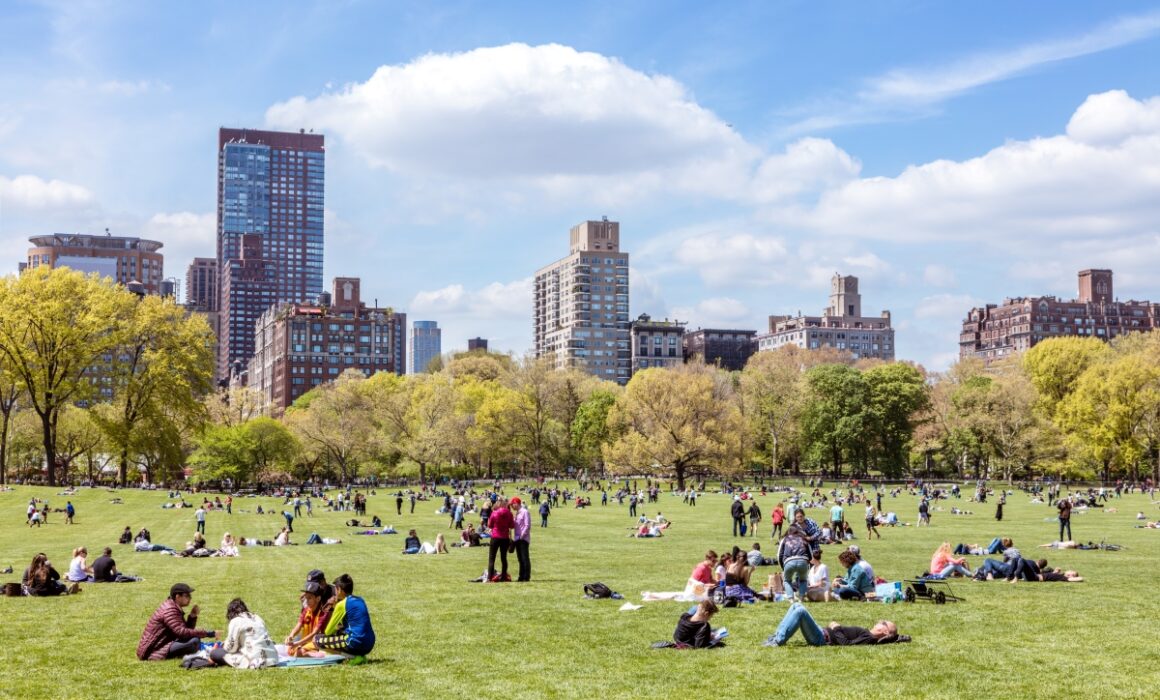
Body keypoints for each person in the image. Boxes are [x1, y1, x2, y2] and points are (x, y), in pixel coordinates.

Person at [764, 602, 906, 646]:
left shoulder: (869, 638)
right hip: (822, 631)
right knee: (796, 605)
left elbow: (846, 644)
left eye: (883, 623)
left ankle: (778, 640)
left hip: (822, 638)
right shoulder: (868, 634)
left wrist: (836, 627)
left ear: (885, 632)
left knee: (800, 611)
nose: (879, 621)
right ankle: (776, 636)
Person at [137, 583, 216, 660]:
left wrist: (192, 616)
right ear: (177, 597)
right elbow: (181, 633)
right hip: (151, 651)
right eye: (187, 595)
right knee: (194, 641)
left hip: (162, 644)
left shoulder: (173, 606)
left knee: (194, 639)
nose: (190, 598)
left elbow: (184, 631)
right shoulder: (170, 610)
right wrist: (207, 633)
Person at [316, 573, 375, 663]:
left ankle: (353, 657)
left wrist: (333, 608)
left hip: (355, 643)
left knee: (317, 640)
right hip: (370, 643)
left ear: (339, 589)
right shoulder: (360, 600)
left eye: (335, 588)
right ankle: (359, 655)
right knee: (340, 632)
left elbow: (328, 631)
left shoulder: (342, 604)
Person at [211, 598, 278, 668]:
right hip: (273, 659)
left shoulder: (235, 621)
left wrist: (224, 645)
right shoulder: (258, 618)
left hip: (254, 659)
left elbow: (231, 648)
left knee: (215, 653)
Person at [285, 581, 333, 656]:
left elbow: (314, 633)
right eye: (306, 597)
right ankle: (309, 652)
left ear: (318, 598)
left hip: (317, 642)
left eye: (309, 598)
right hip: (305, 641)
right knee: (290, 651)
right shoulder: (306, 610)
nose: (306, 601)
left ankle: (321, 654)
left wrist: (297, 643)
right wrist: (291, 636)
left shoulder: (323, 613)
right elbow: (298, 625)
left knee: (298, 654)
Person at [778, 525, 811, 600]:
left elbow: (779, 554)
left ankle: (791, 599)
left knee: (787, 580)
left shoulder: (785, 539)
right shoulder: (803, 539)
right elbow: (810, 553)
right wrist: (808, 562)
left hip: (789, 562)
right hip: (803, 561)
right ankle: (801, 598)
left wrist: (783, 567)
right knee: (803, 580)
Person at [486, 497, 514, 582]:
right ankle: (504, 576)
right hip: (505, 537)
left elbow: (490, 525)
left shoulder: (494, 513)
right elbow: (512, 526)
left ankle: (489, 577)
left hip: (495, 536)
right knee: (504, 558)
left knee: (492, 558)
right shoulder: (509, 513)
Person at [511, 497, 532, 582]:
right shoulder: (517, 513)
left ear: (516, 503)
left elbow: (527, 525)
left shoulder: (525, 512)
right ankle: (521, 576)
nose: (512, 506)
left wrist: (522, 536)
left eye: (512, 504)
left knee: (524, 558)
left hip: (523, 539)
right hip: (517, 538)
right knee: (520, 559)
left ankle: (526, 576)